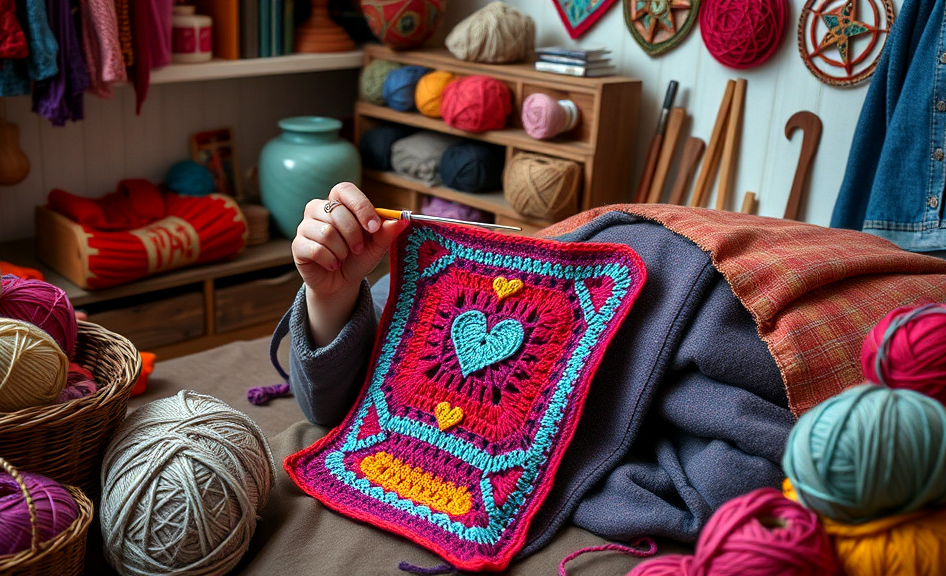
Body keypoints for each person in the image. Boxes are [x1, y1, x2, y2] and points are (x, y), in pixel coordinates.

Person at [272, 182, 795, 556]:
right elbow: (327, 403)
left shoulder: (683, 309)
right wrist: (328, 298)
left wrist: (584, 471)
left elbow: (754, 468)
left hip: (708, 262)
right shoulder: (436, 281)